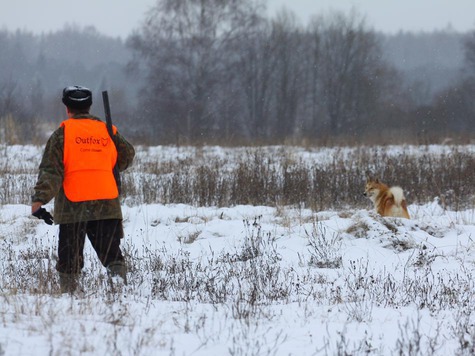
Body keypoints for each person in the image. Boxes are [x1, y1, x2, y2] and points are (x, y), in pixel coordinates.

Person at [31, 85, 135, 293]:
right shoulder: (107, 130)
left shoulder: (62, 134)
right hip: (106, 202)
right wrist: (107, 166)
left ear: (67, 108)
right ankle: (121, 291)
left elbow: (51, 171)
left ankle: (69, 296)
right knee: (111, 254)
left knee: (70, 256)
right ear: (89, 106)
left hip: (73, 204)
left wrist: (39, 201)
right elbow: (127, 154)